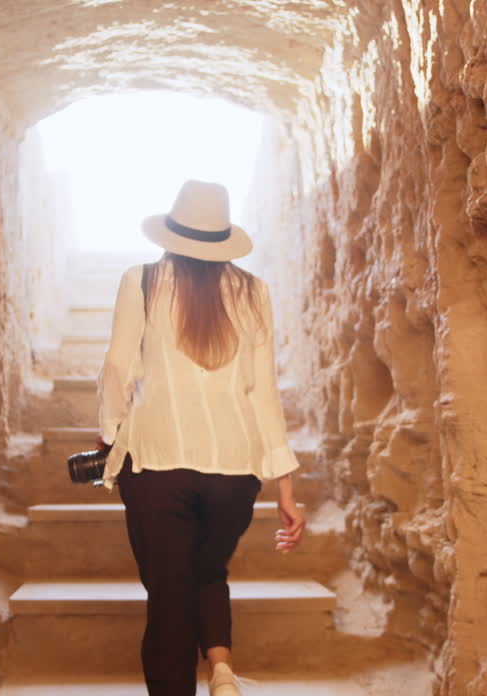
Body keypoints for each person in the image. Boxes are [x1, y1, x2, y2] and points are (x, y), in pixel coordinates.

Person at [95, 179, 305, 696]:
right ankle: (223, 669)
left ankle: (208, 674)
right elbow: (264, 393)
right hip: (235, 475)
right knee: (204, 569)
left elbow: (118, 370)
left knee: (169, 598)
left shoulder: (140, 281)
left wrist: (107, 439)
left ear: (171, 231)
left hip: (158, 466)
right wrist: (285, 487)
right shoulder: (253, 291)